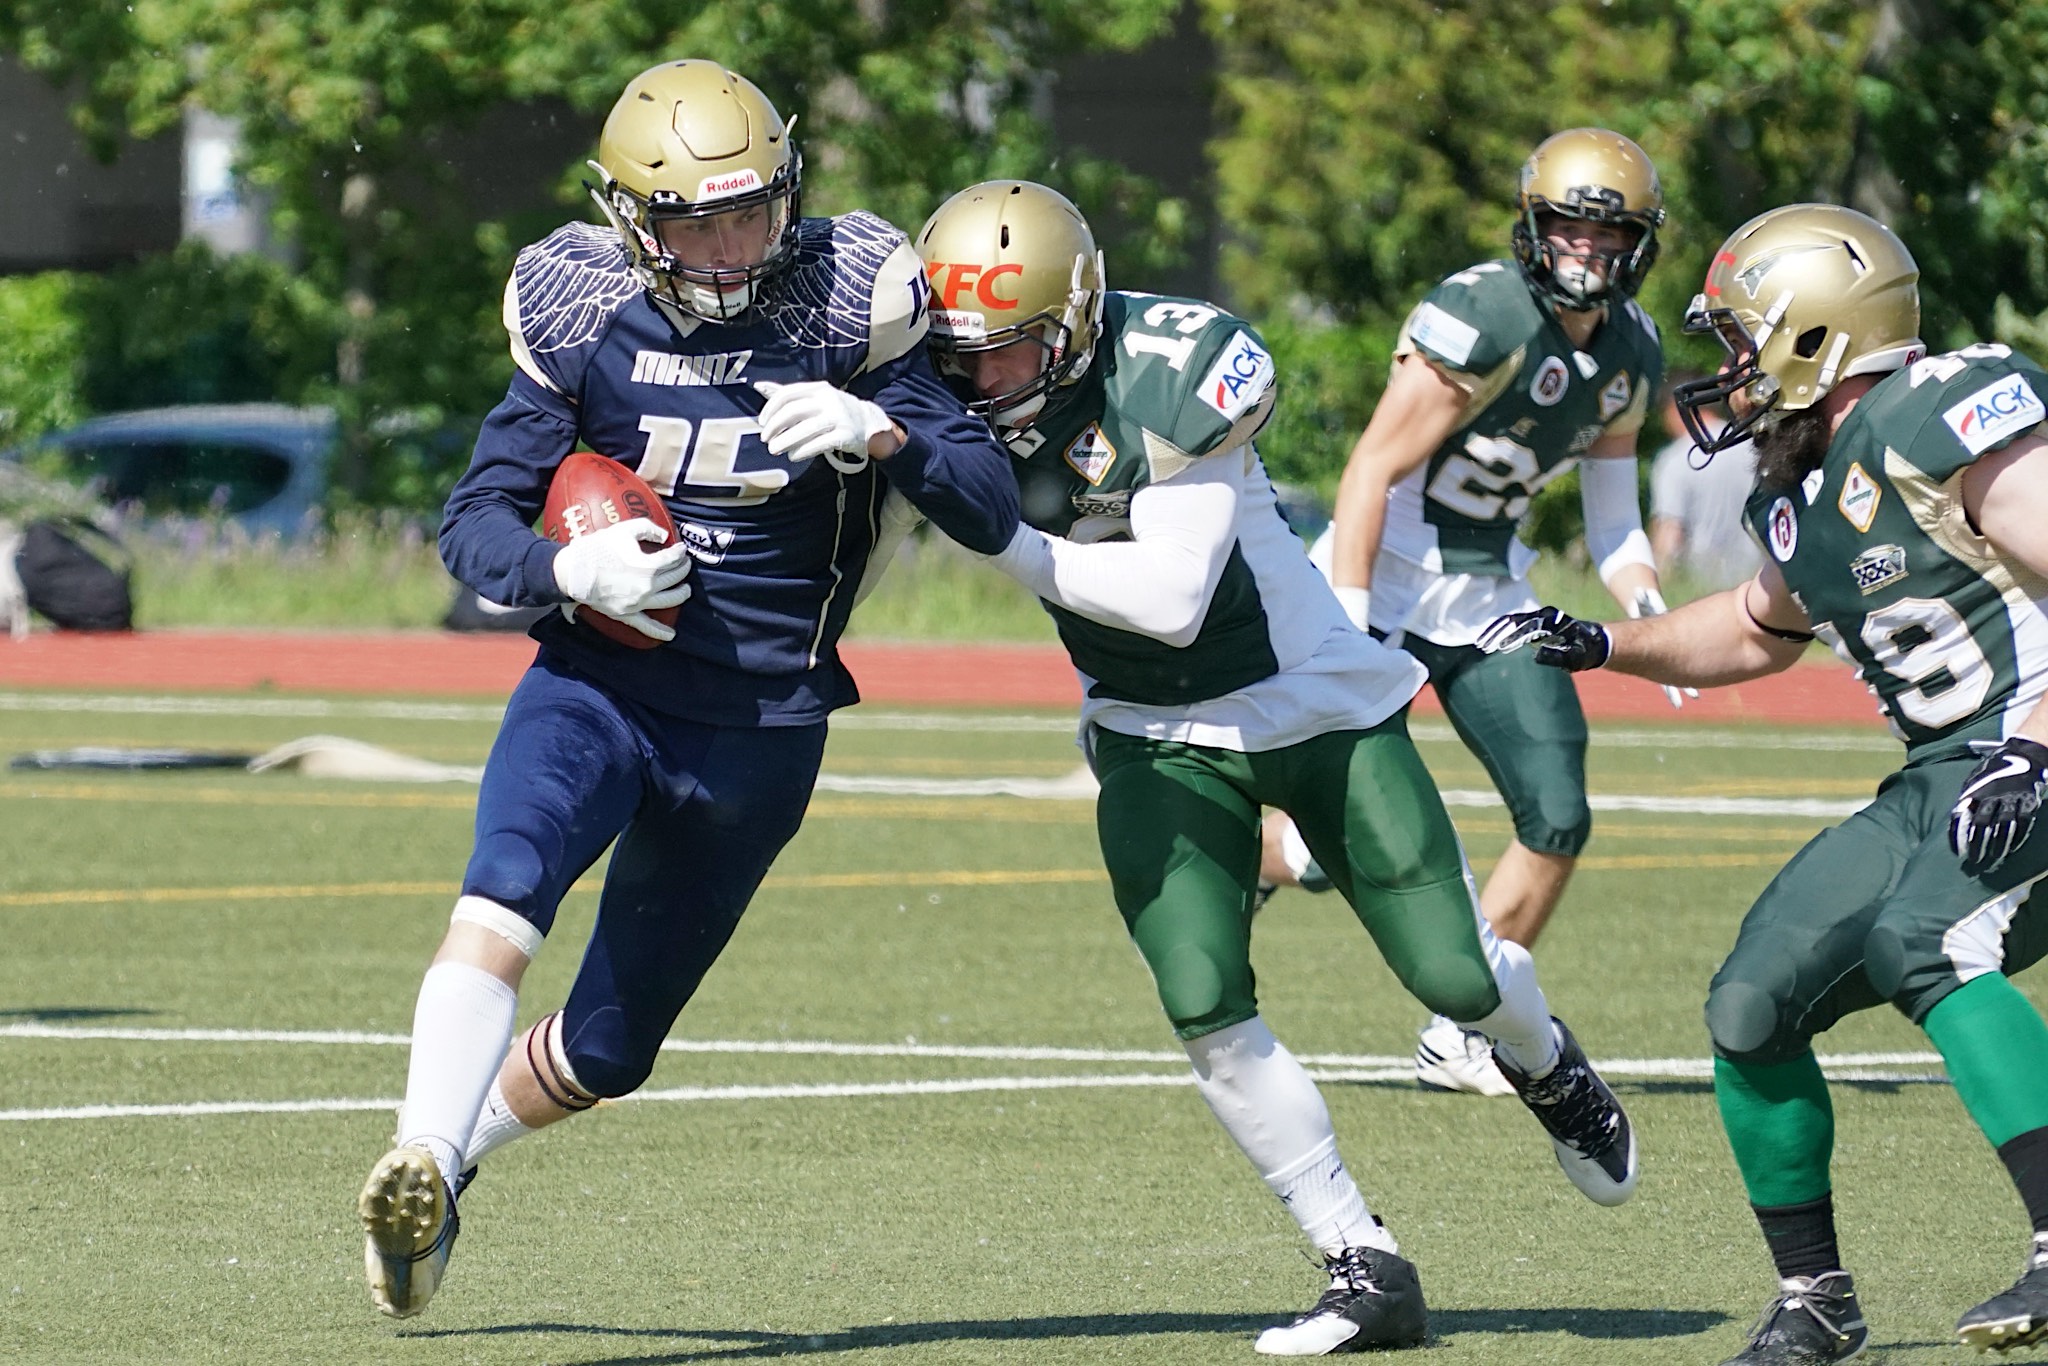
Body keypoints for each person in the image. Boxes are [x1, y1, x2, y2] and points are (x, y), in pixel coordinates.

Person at [915, 178, 1638, 1356]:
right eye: (962, 356)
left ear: (1079, 320)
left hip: (1315, 704)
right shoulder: (931, 383)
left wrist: (995, 533)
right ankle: (1361, 1260)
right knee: (1199, 993)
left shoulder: (1169, 365)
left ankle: (1544, 1058)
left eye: (1012, 351)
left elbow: (1168, 597)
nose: (980, 381)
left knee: (1453, 975)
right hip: (1150, 727)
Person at [355, 60, 1019, 1319]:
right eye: (690, 222)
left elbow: (985, 507)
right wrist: (569, 569)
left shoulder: (847, 305)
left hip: (762, 724)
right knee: (503, 892)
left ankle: (456, 1167)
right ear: (627, 222)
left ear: (791, 193)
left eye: (748, 214)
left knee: (608, 1048)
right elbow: (472, 525)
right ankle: (421, 1154)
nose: (724, 249)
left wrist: (889, 434)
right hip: (600, 684)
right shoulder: (583, 310)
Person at [1479, 203, 2048, 1362]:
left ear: (1813, 335)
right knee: (1750, 1001)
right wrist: (1600, 645)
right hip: (1942, 769)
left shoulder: (1945, 414)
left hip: (2029, 744)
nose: (1726, 368)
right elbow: (1753, 629)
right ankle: (1815, 1298)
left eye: (1741, 337)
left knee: (1925, 941)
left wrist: (2035, 746)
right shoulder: (1800, 485)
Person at [1257, 129, 1684, 1098]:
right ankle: (1250, 852)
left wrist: (1650, 609)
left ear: (1637, 245)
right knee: (1325, 852)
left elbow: (1612, 515)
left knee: (1558, 810)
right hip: (1384, 574)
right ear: (1534, 228)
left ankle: (1463, 1028)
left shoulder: (1631, 350)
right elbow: (1369, 467)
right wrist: (1352, 627)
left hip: (1488, 589)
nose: (1585, 250)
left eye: (1606, 234)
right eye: (1569, 227)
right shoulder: (1482, 311)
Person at [1649, 371, 1761, 588]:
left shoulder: (1674, 459)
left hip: (1701, 587)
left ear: (1674, 410)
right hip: (1757, 582)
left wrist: (1658, 590)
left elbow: (1670, 531)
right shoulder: (1753, 445)